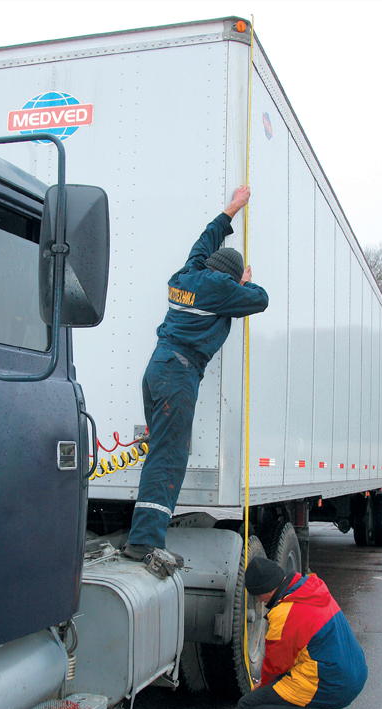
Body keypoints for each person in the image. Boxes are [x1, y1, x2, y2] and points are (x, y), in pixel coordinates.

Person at [122, 186, 269, 564]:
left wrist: (232, 209)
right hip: (178, 375)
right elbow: (261, 299)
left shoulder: (188, 273)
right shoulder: (221, 289)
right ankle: (145, 542)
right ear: (229, 278)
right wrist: (241, 285)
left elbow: (205, 241)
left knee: (161, 453)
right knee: (168, 458)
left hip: (157, 369)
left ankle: (144, 534)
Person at [236, 556, 368, 709]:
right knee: (285, 679)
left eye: (259, 596)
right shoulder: (310, 587)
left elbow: (275, 666)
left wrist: (262, 688)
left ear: (266, 590)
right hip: (355, 672)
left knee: (248, 706)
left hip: (335, 683)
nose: (260, 601)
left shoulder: (284, 614)